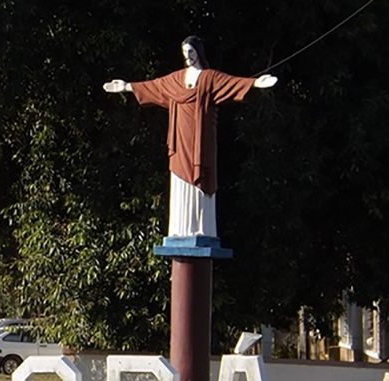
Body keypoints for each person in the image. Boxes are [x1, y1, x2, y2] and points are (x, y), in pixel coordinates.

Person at [104, 36, 277, 237]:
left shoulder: (209, 78)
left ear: (199, 52)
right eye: (185, 51)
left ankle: (201, 228)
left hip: (201, 141)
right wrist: (127, 86)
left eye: (191, 51)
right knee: (179, 179)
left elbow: (232, 83)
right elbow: (154, 86)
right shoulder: (176, 79)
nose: (188, 55)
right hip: (180, 141)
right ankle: (179, 228)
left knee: (200, 178)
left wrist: (255, 83)